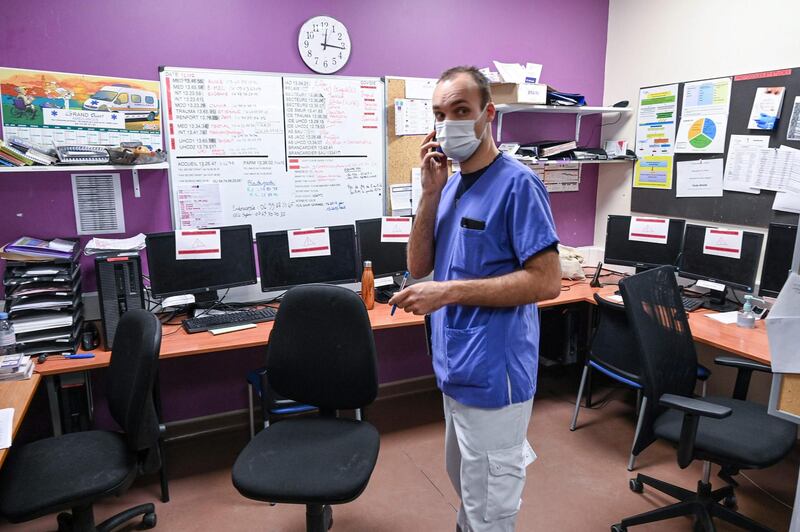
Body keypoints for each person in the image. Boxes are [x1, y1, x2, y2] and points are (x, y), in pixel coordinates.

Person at [388, 66, 561, 531]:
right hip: (455, 366)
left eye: (461, 111)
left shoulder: (518, 184)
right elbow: (420, 266)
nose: (449, 124)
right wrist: (428, 195)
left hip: (495, 372)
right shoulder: (446, 184)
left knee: (491, 504)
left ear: (488, 114)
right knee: (466, 483)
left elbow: (547, 282)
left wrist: (449, 293)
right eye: (440, 114)